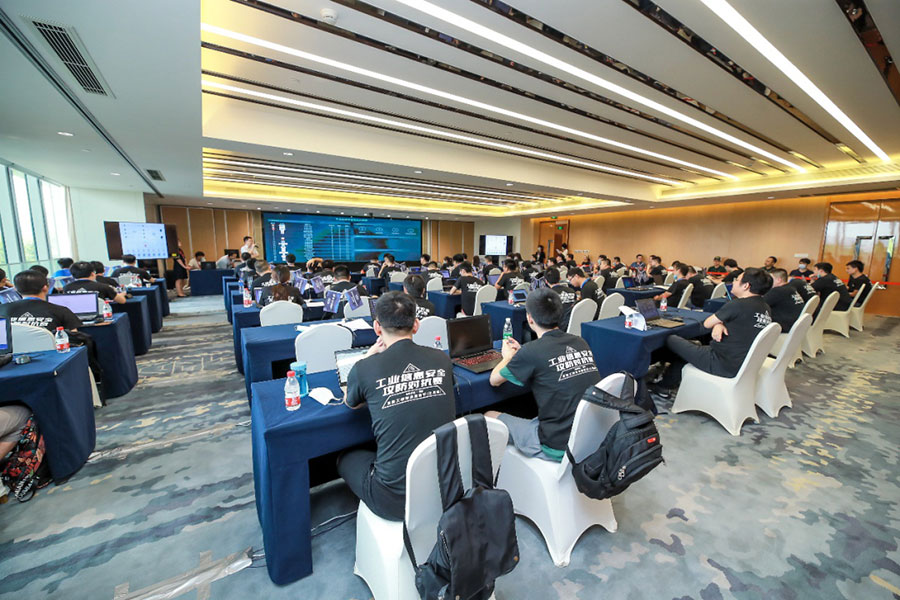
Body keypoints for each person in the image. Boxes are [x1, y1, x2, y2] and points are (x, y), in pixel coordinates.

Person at [337, 292, 456, 520]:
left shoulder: (364, 368)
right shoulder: (441, 358)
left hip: (394, 501)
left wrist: (368, 357)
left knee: (345, 457)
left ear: (377, 327)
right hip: (445, 484)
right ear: (416, 325)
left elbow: (351, 403)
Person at [486, 288, 600, 461]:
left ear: (530, 318)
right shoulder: (580, 341)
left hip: (557, 446)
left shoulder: (531, 351)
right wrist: (523, 353)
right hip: (590, 437)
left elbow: (494, 380)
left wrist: (508, 357)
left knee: (488, 416)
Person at [655, 268, 773, 394]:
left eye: (736, 280)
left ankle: (662, 382)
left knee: (670, 338)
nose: (733, 282)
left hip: (720, 362)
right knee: (690, 347)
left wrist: (717, 323)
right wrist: (719, 323)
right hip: (742, 363)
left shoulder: (738, 304)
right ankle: (667, 383)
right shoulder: (765, 307)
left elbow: (707, 324)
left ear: (746, 286)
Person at [0, 270, 82, 331]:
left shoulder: (2, 310)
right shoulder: (61, 311)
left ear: (15, 289)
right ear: (45, 288)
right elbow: (75, 339)